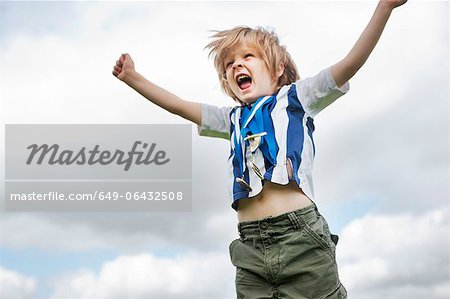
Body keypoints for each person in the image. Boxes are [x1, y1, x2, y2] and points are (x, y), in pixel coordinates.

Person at [112, 1, 407, 298]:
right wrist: (133, 78)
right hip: (250, 249)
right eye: (229, 64)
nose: (237, 64)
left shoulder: (298, 99)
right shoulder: (230, 119)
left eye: (248, 56)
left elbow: (350, 63)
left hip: (300, 239)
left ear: (278, 69)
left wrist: (384, 7)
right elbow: (179, 106)